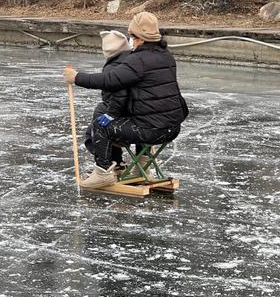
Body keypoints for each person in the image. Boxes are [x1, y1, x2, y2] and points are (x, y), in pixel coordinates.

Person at [63, 12, 188, 189]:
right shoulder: (166, 56)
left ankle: (104, 172)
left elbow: (110, 80)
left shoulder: (138, 60)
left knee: (100, 125)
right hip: (172, 128)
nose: (132, 40)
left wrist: (76, 77)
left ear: (139, 37)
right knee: (141, 114)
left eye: (132, 36)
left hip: (151, 131)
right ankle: (141, 167)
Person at [83, 30, 132, 170]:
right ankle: (119, 161)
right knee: (102, 116)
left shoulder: (113, 68)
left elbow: (116, 100)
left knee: (95, 128)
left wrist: (110, 113)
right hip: (149, 118)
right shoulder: (137, 62)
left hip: (129, 124)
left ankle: (108, 163)